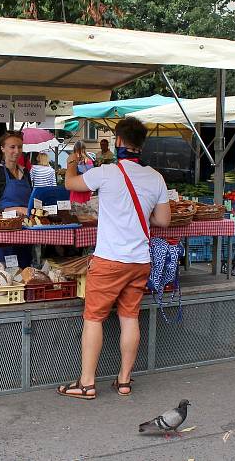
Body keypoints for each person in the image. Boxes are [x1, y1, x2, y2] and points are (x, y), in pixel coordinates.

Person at [59, 118, 170, 400]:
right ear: (141, 144)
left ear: (119, 141)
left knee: (94, 318)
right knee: (130, 317)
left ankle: (86, 383)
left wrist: (72, 161)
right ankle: (123, 381)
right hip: (139, 260)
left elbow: (71, 182)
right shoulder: (156, 177)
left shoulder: (106, 172)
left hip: (109, 260)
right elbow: (164, 220)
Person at [0, 130, 33, 266]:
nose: (17, 151)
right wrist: (16, 209)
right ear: (2, 149)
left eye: (20, 147)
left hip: (25, 235)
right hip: (2, 236)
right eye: (12, 147)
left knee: (24, 273)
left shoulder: (26, 173)